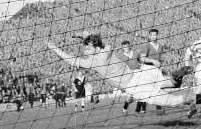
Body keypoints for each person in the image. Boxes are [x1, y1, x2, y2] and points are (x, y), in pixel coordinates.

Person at [48, 35, 189, 108]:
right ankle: (177, 78)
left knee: (173, 101)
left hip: (135, 86)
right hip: (141, 73)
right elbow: (95, 39)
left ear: (96, 48)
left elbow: (71, 60)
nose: (85, 51)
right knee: (173, 84)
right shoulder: (107, 48)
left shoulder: (94, 62)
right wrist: (83, 36)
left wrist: (54, 48)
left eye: (88, 48)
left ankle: (194, 98)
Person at [139, 28, 166, 114]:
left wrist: (161, 67)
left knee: (158, 88)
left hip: (157, 70)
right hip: (148, 69)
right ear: (149, 36)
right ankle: (142, 109)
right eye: (152, 35)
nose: (153, 37)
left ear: (157, 36)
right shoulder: (146, 46)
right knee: (146, 90)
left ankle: (159, 108)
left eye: (155, 35)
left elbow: (160, 59)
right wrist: (153, 61)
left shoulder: (161, 46)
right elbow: (142, 58)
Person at [118, 40, 140, 114]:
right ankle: (125, 108)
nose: (126, 48)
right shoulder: (121, 57)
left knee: (140, 93)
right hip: (129, 77)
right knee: (131, 95)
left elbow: (141, 61)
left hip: (138, 74)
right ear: (122, 48)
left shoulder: (136, 53)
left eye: (127, 46)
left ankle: (138, 110)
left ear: (129, 46)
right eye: (124, 47)